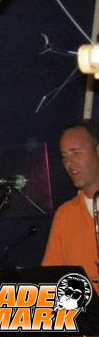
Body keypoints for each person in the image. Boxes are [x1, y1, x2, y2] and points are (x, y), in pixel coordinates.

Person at [43, 120, 99, 293]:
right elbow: (50, 278)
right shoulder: (65, 214)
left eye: (76, 152)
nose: (69, 162)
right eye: (64, 156)